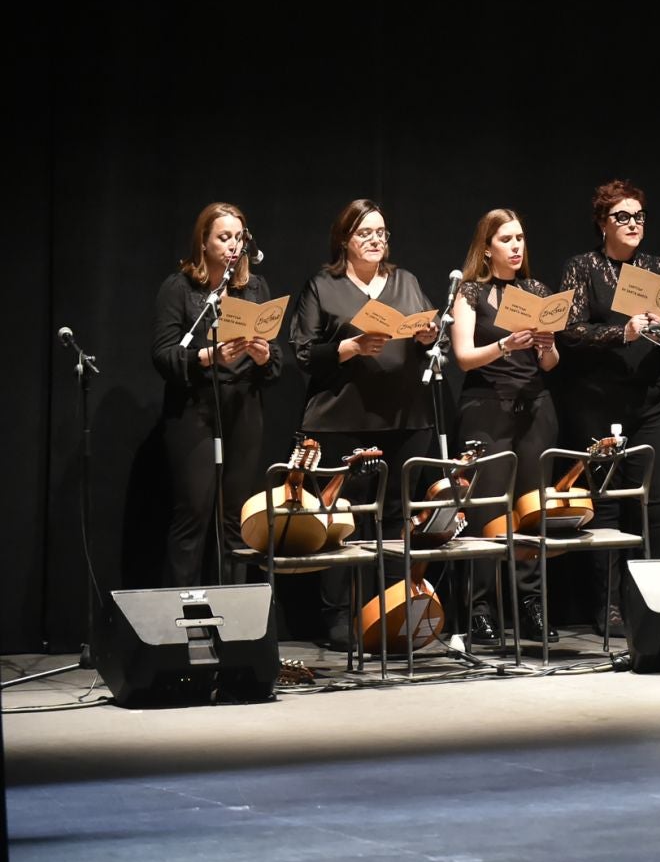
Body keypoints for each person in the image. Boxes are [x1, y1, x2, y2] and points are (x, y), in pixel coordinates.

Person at [287, 199, 443, 648]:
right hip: (341, 419)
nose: (375, 240)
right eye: (365, 233)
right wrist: (351, 347)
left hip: (403, 418)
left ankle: (392, 611)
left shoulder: (406, 281)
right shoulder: (324, 284)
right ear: (345, 240)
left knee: (397, 519)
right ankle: (338, 618)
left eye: (381, 232)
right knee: (342, 517)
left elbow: (427, 333)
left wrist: (428, 335)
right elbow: (302, 352)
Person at [554, 181, 660, 634]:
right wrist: (619, 333)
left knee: (653, 500)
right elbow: (568, 331)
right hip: (598, 400)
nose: (633, 224)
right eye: (622, 216)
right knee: (605, 504)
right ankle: (607, 606)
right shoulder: (583, 268)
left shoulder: (657, 267)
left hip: (652, 398)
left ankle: (656, 597)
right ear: (603, 223)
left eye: (639, 216)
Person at [150, 202, 283, 587]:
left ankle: (233, 621)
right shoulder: (179, 288)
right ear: (203, 242)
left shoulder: (255, 288)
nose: (233, 246)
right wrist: (206, 357)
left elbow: (277, 365)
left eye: (239, 238)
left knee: (235, 518)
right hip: (194, 408)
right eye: (224, 238)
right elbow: (162, 355)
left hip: (242, 407)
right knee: (193, 513)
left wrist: (263, 355)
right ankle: (184, 617)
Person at [451, 209, 562, 644]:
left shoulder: (536, 290)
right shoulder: (470, 291)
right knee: (488, 510)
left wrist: (548, 347)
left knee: (532, 511)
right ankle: (481, 608)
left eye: (520, 238)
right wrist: (504, 344)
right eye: (507, 240)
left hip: (535, 404)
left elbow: (551, 364)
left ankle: (530, 605)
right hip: (485, 405)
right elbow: (463, 356)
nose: (516, 247)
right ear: (487, 247)